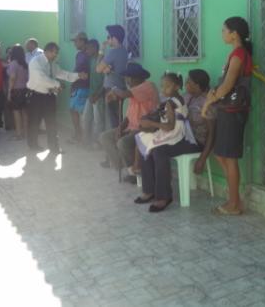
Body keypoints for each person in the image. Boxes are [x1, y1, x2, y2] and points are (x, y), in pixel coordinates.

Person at [136, 69, 216, 212]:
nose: (185, 84)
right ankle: (149, 190)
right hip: (179, 136)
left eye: (189, 82)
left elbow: (212, 133)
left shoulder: (206, 102)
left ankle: (164, 197)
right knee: (148, 144)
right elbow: (167, 108)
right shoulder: (185, 97)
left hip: (195, 142)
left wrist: (203, 158)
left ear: (198, 85)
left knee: (159, 150)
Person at [202, 17, 253, 216]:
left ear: (234, 34)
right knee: (221, 154)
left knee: (229, 158)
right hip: (227, 111)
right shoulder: (235, 54)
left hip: (233, 113)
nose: (222, 34)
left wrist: (208, 102)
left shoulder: (239, 55)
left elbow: (227, 86)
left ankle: (233, 204)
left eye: (224, 31)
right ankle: (235, 201)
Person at [99, 63, 159, 178]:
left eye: (128, 78)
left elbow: (123, 94)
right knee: (105, 137)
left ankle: (135, 173)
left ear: (135, 78)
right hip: (131, 127)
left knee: (123, 143)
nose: (126, 80)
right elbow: (129, 116)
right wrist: (120, 127)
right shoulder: (134, 90)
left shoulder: (148, 86)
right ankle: (124, 166)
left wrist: (114, 89)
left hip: (145, 129)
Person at [26, 42, 88, 153]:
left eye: (56, 53)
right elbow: (41, 79)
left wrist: (78, 75)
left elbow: (64, 74)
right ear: (46, 51)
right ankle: (33, 144)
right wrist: (57, 84)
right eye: (54, 52)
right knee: (34, 122)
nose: (56, 55)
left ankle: (54, 147)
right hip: (36, 96)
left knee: (51, 122)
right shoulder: (35, 62)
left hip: (49, 97)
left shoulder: (53, 65)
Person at [96, 25, 128, 129]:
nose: (107, 40)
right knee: (119, 120)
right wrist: (106, 68)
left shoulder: (113, 52)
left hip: (112, 91)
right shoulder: (124, 51)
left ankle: (113, 144)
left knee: (113, 122)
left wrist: (101, 50)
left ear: (114, 38)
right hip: (121, 88)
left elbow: (98, 69)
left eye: (108, 37)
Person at [82, 39, 105, 148]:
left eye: (88, 48)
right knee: (86, 118)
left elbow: (106, 82)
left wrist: (97, 95)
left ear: (95, 48)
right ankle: (86, 141)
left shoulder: (102, 61)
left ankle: (97, 143)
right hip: (91, 95)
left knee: (98, 121)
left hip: (98, 95)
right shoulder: (91, 60)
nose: (86, 50)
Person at [68, 32, 90, 144]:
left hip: (81, 87)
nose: (74, 44)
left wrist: (72, 82)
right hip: (84, 86)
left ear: (82, 41)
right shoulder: (87, 53)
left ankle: (79, 137)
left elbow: (78, 70)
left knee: (76, 112)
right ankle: (81, 137)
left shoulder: (82, 55)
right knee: (80, 112)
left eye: (76, 41)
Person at [7, 44, 29, 140]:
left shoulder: (13, 63)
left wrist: (9, 91)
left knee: (16, 113)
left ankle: (19, 134)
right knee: (25, 112)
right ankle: (26, 133)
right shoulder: (25, 64)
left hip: (16, 90)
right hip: (25, 90)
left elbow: (12, 78)